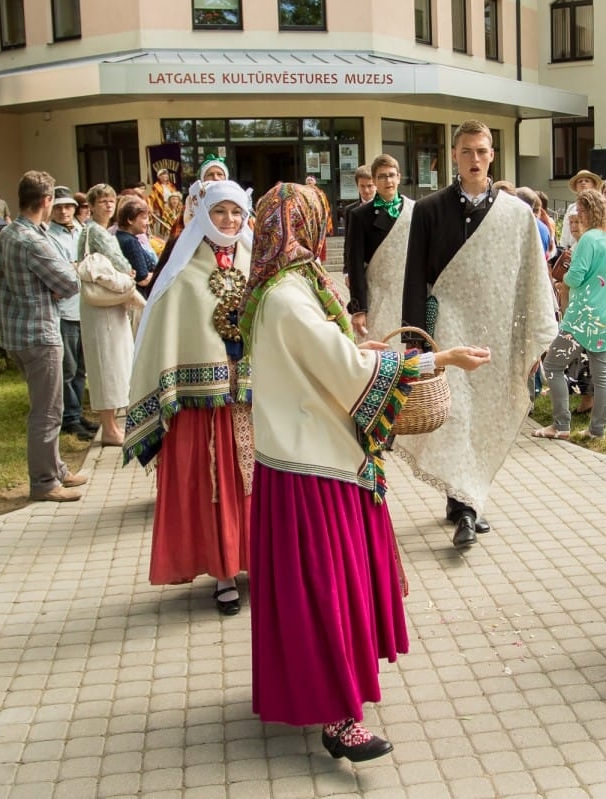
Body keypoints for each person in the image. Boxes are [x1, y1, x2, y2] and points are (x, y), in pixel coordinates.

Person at [238, 181, 491, 762]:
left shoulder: (287, 286)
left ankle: (319, 690)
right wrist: (437, 358)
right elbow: (347, 372)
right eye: (317, 221)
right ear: (302, 227)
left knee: (316, 590)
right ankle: (336, 719)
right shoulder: (287, 296)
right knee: (324, 590)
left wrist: (364, 350)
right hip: (313, 468)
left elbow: (331, 358)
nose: (323, 232)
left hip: (308, 458)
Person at [399, 119, 558, 548]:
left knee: (483, 416)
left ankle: (464, 498)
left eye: (482, 151)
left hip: (495, 331)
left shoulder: (516, 213)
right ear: (453, 155)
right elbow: (414, 275)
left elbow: (531, 277)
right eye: (467, 151)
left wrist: (533, 338)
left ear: (492, 155)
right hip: (449, 326)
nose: (475, 159)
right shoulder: (429, 209)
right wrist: (414, 339)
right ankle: (466, 508)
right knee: (457, 415)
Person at [124, 180, 254, 616]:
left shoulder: (256, 261)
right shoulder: (182, 269)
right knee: (216, 485)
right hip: (204, 406)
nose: (230, 221)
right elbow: (163, 328)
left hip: (253, 401)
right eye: (220, 212)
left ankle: (256, 560)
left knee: (257, 482)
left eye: (237, 213)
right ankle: (223, 573)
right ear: (203, 215)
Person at [0, 171, 87, 502]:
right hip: (39, 333)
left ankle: (57, 467)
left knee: (48, 405)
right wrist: (75, 268)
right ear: (47, 201)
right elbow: (69, 284)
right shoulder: (32, 240)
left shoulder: (10, 232)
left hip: (18, 331)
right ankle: (45, 482)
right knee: (48, 411)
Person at [532, 188, 606, 441]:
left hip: (582, 316)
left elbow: (573, 277)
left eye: (580, 210)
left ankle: (561, 425)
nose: (578, 215)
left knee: (552, 365)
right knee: (602, 373)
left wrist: (568, 269)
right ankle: (597, 430)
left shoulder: (589, 239)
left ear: (588, 211)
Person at [78, 184, 136, 447]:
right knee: (106, 363)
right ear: (91, 205)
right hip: (101, 304)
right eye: (102, 201)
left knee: (115, 360)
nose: (108, 205)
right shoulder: (93, 231)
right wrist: (128, 272)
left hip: (109, 301)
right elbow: (118, 261)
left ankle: (112, 424)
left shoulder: (103, 231)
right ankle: (109, 428)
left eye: (111, 200)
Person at [46, 187, 96, 441]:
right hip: (64, 310)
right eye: (58, 207)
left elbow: (89, 263)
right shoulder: (47, 236)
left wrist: (78, 267)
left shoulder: (81, 231)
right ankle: (69, 418)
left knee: (80, 369)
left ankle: (77, 414)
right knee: (67, 367)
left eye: (67, 206)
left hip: (84, 306)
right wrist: (77, 268)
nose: (64, 211)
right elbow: (60, 271)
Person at [344, 154, 412, 341]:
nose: (388, 180)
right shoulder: (360, 216)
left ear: (399, 177)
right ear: (374, 180)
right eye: (382, 176)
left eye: (391, 175)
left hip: (408, 295)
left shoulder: (416, 210)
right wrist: (359, 310)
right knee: (379, 349)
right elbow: (355, 264)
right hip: (377, 295)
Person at [115, 197, 156, 296]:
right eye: (144, 218)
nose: (148, 223)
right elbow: (143, 279)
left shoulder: (119, 236)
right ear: (130, 219)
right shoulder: (130, 242)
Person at [559, 168, 602, 251]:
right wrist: (563, 249)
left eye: (587, 180)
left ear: (593, 185)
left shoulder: (598, 206)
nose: (583, 183)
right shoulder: (571, 208)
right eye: (580, 181)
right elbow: (565, 232)